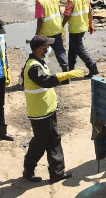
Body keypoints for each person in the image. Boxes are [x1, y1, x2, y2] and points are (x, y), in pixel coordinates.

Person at [22, 35, 85, 183]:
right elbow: (45, 81)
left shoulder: (39, 62)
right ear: (40, 49)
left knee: (54, 140)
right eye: (46, 46)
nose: (49, 49)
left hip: (48, 110)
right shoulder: (33, 66)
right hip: (39, 113)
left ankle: (57, 172)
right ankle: (28, 169)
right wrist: (65, 75)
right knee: (39, 143)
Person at [62, 0, 98, 75]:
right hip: (83, 26)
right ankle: (71, 68)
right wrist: (90, 24)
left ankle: (92, 67)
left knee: (79, 48)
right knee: (72, 48)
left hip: (75, 27)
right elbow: (90, 11)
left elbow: (67, 14)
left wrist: (62, 25)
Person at [34, 0, 68, 72]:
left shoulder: (39, 1)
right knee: (60, 51)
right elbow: (59, 11)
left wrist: (37, 33)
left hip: (46, 32)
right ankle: (66, 72)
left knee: (40, 51)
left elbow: (40, 19)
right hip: (57, 28)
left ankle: (41, 71)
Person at [0, 18, 12, 141]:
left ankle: (2, 133)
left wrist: (7, 72)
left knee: (1, 105)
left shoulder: (2, 40)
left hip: (1, 77)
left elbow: (5, 56)